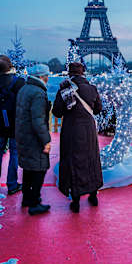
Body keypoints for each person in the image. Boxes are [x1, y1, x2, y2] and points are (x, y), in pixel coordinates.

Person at [52, 62, 103, 213]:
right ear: (83, 73)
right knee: (91, 159)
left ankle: (75, 199)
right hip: (88, 129)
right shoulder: (92, 88)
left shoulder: (65, 88)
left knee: (73, 161)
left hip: (71, 130)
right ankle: (93, 195)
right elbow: (98, 109)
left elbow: (57, 112)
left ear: (70, 73)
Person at [15, 64, 52, 216]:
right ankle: (35, 203)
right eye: (47, 76)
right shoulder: (38, 93)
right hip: (34, 137)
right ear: (43, 77)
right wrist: (46, 140)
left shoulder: (24, 89)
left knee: (28, 168)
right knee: (39, 168)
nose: (49, 78)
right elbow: (38, 120)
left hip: (23, 134)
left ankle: (26, 198)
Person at [0, 55, 26, 195]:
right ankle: (12, 184)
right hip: (15, 122)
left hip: (0, 122)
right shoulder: (19, 82)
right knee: (14, 153)